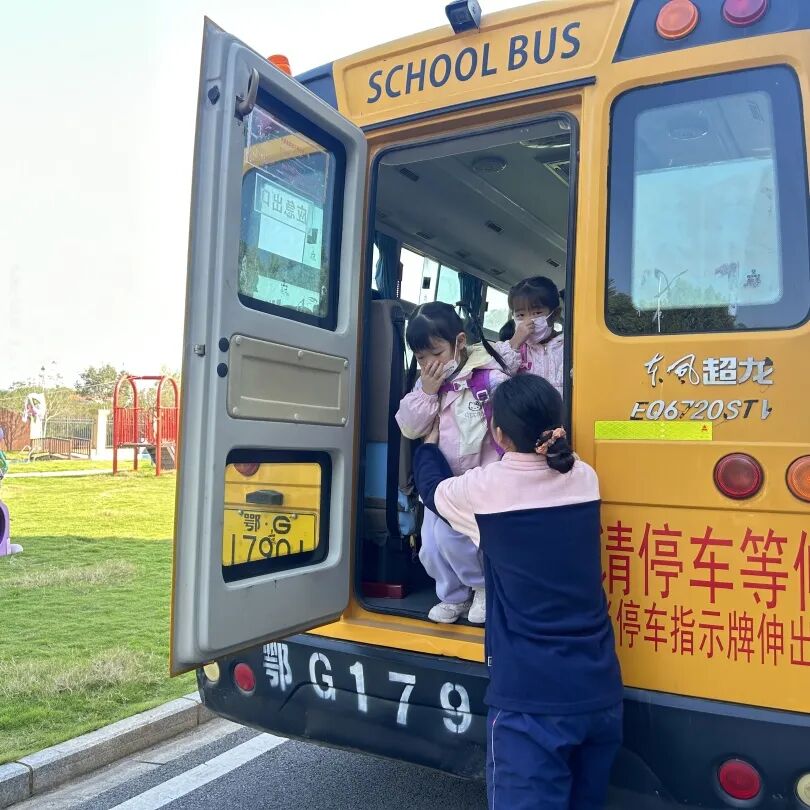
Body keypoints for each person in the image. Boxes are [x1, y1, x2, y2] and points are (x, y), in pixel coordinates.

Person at [413, 374, 622, 809]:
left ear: (499, 434)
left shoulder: (486, 490)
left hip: (531, 702)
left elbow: (433, 492)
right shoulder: (585, 477)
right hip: (599, 691)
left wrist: (428, 445)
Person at [396, 301, 508, 625]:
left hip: (478, 479)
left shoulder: (487, 378)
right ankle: (453, 595)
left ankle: (482, 587)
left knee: (455, 539)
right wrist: (428, 393)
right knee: (430, 546)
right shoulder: (427, 386)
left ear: (459, 343)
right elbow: (409, 426)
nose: (429, 364)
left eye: (436, 353)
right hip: (440, 481)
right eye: (420, 358)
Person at [495, 276, 564, 397]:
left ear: (555, 314)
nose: (528, 321)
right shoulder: (515, 350)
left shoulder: (568, 346)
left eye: (537, 313)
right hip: (528, 414)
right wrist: (515, 343)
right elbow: (498, 378)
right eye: (521, 315)